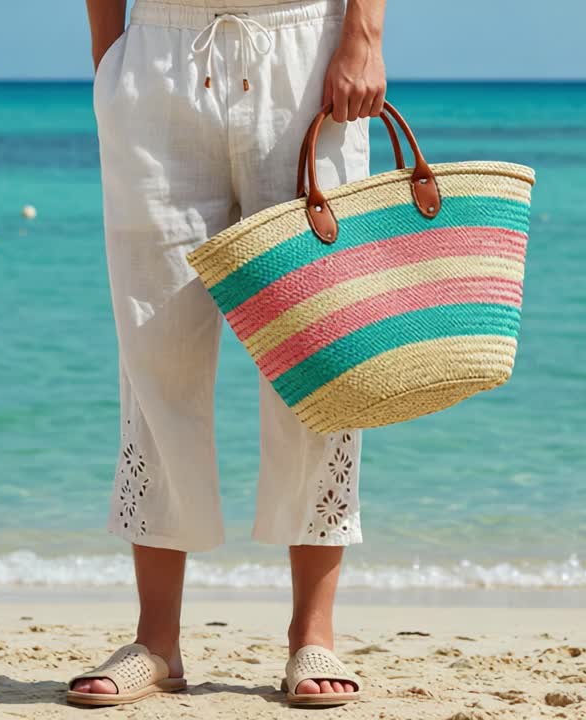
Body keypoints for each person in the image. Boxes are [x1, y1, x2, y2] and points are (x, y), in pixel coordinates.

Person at [68, 0, 385, 708]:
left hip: (307, 55)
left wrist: (362, 36)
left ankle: (315, 630)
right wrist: (112, 66)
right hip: (156, 59)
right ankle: (156, 642)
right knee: (156, 351)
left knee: (320, 351)